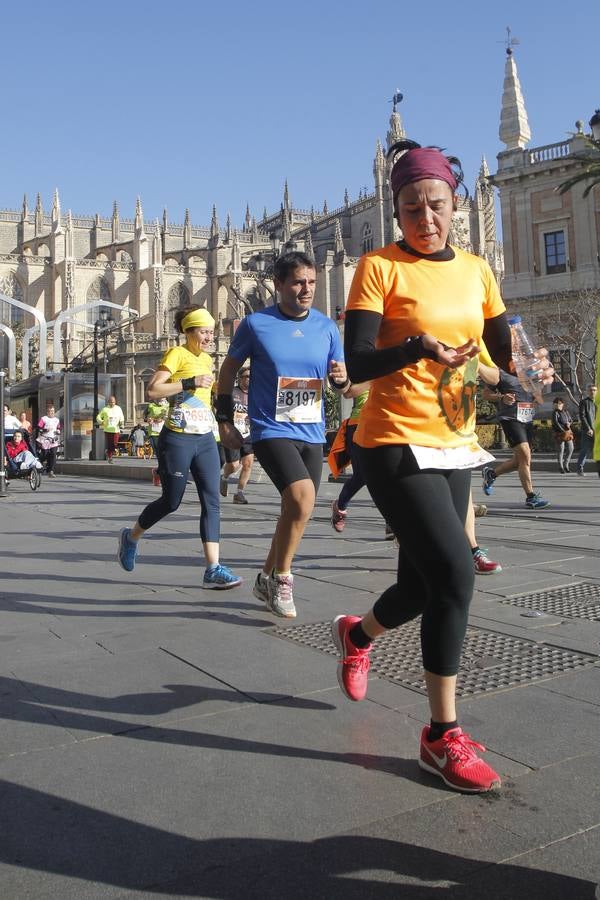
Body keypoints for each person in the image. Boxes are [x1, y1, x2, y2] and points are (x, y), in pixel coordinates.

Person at [330, 140, 553, 794]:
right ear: (394, 211)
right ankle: (441, 736)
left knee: (422, 587)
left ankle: (356, 633)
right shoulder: (377, 267)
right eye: (410, 207)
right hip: (392, 439)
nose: (425, 217)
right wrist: (417, 347)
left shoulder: (479, 271)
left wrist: (516, 377)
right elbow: (359, 364)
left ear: (455, 205)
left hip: (453, 439)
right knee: (457, 572)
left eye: (435, 204)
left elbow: (500, 362)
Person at [217, 251, 348, 618]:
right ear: (278, 285)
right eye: (297, 282)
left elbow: (343, 381)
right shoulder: (256, 325)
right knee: (303, 499)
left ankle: (263, 576)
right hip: (270, 428)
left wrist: (342, 380)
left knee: (295, 508)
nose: (306, 289)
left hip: (312, 431)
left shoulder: (326, 327)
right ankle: (283, 579)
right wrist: (224, 420)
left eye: (311, 282)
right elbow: (227, 373)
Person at [117, 305, 241, 590]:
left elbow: (206, 394)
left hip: (205, 438)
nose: (210, 336)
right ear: (189, 331)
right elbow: (153, 390)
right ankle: (132, 536)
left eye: (211, 331)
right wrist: (188, 381)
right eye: (204, 331)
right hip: (178, 438)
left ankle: (213, 567)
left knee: (212, 500)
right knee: (171, 501)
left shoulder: (208, 359)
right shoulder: (177, 353)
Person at [481, 370, 550, 509]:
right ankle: (531, 497)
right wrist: (501, 397)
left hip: (527, 418)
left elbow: (536, 390)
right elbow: (485, 394)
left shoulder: (528, 370)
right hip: (510, 418)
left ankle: (491, 474)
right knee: (525, 455)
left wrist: (537, 395)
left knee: (521, 460)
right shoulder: (499, 371)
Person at [219, 365, 254, 505]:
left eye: (252, 377)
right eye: (247, 377)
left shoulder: (255, 394)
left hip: (249, 433)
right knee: (234, 465)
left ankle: (239, 493)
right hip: (233, 433)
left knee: (248, 464)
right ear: (239, 378)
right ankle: (225, 477)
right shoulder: (232, 392)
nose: (250, 379)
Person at [96, 395, 124, 463]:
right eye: (111, 402)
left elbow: (121, 417)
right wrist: (101, 422)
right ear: (108, 402)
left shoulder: (118, 408)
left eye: (113, 402)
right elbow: (98, 417)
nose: (112, 404)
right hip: (107, 429)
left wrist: (121, 423)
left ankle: (108, 452)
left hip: (115, 429)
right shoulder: (105, 409)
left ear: (115, 402)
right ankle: (110, 457)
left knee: (115, 444)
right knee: (110, 444)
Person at [577, 384, 597, 475]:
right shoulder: (584, 402)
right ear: (587, 392)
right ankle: (580, 468)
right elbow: (582, 416)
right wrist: (588, 428)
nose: (592, 392)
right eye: (591, 390)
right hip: (588, 431)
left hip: (597, 430)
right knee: (584, 450)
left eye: (594, 390)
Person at [551, 397, 574, 473]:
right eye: (556, 403)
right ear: (554, 405)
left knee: (571, 448)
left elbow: (571, 420)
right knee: (561, 450)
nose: (558, 405)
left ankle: (566, 464)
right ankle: (561, 467)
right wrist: (563, 430)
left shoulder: (566, 411)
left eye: (559, 403)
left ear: (562, 404)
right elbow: (555, 423)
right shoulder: (555, 413)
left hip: (568, 433)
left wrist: (569, 423)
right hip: (559, 434)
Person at [36, 404, 61, 477]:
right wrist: (45, 430)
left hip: (53, 440)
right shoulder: (44, 419)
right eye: (50, 411)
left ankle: (51, 471)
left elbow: (58, 428)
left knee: (53, 454)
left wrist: (58, 431)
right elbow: (39, 428)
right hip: (44, 439)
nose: (52, 412)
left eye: (53, 411)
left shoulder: (57, 420)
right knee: (45, 455)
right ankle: (38, 464)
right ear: (47, 412)